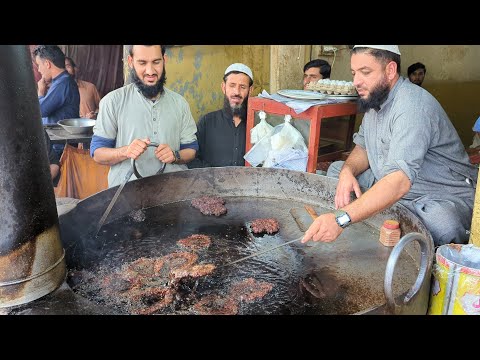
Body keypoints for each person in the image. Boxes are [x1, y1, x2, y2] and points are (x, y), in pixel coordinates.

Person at [303, 45, 477, 247]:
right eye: (354, 73)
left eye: (365, 72)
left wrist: (341, 218)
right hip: (390, 180)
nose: (356, 81)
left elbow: (399, 182)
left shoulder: (412, 106)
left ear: (390, 70)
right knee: (337, 171)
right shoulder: (375, 99)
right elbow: (363, 148)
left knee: (442, 223)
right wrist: (347, 171)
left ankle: (367, 214)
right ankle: (379, 210)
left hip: (435, 194)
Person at [90, 45, 198, 188]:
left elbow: (191, 150)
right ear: (130, 61)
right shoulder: (112, 102)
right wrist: (125, 151)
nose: (150, 71)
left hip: (173, 192)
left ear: (164, 60)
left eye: (156, 62)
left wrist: (175, 155)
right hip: (127, 194)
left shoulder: (180, 103)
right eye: (142, 63)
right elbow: (97, 153)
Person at [188, 63, 253, 168]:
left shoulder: (257, 125)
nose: (236, 92)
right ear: (224, 87)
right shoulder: (207, 122)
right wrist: (212, 177)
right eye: (232, 85)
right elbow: (192, 158)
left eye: (242, 87)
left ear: (250, 91)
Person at [33, 45, 80, 125]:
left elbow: (41, 111)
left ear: (47, 64)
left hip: (61, 135)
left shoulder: (63, 82)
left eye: (39, 65)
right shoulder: (60, 81)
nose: (39, 70)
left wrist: (40, 92)